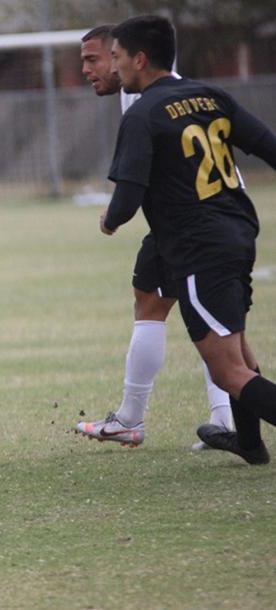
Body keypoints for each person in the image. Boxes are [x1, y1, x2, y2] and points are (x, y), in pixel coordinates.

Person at [101, 15, 276, 465]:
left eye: (117, 57)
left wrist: (109, 220)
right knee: (235, 347)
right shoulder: (210, 95)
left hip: (199, 245)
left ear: (140, 59)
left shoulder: (142, 114)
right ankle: (251, 446)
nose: (114, 66)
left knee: (227, 369)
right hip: (238, 231)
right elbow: (268, 145)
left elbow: (128, 196)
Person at [75, 24, 233, 450]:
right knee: (163, 302)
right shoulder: (182, 90)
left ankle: (134, 419)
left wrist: (113, 216)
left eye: (93, 59)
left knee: (206, 326)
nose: (86, 69)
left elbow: (133, 184)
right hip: (216, 219)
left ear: (123, 56)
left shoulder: (142, 99)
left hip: (194, 227)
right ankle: (226, 421)